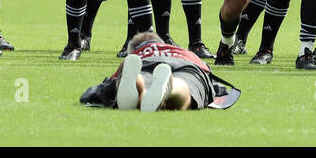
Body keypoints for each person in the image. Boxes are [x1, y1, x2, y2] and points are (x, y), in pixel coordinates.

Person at [80, 32, 241, 111]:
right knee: (184, 86)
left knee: (140, 78)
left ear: (132, 51)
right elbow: (207, 76)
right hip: (186, 64)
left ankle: (138, 83)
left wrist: (97, 93)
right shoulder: (183, 51)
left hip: (145, 64)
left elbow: (103, 87)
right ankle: (170, 86)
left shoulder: (138, 55)